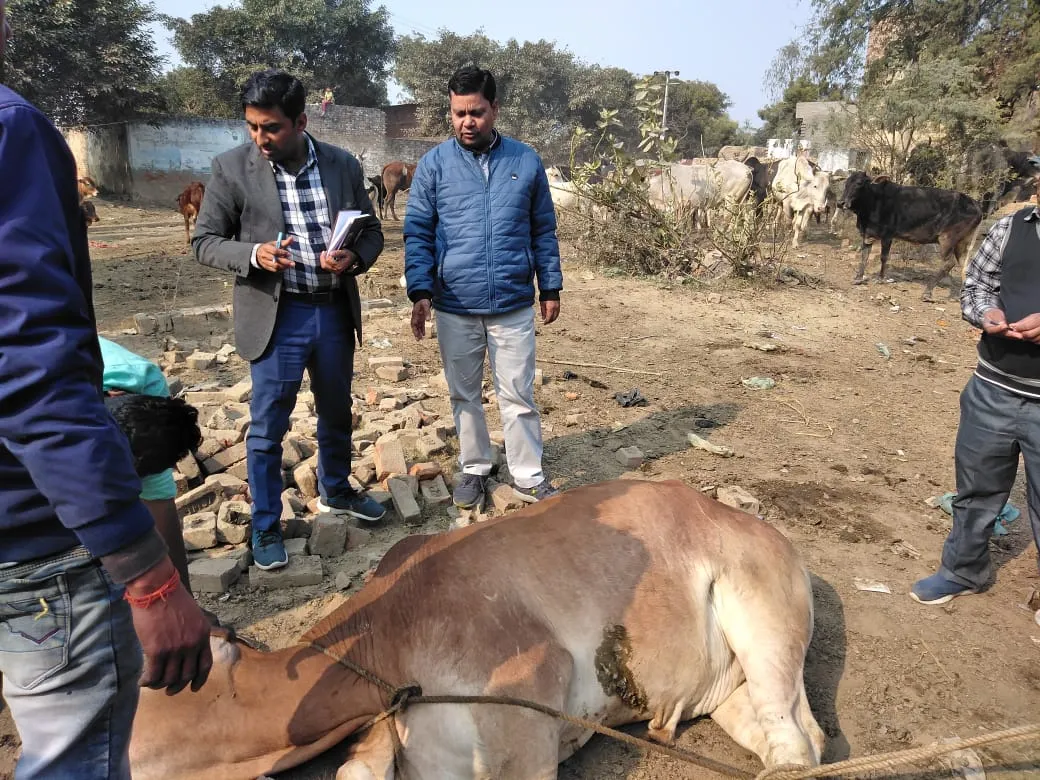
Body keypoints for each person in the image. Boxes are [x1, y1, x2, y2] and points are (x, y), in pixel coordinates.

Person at [0, 3, 213, 776]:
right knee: (75, 759)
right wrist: (153, 581)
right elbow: (30, 372)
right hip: (31, 541)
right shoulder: (11, 131)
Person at [193, 68, 385, 571]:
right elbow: (204, 241)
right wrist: (255, 253)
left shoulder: (342, 166)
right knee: (267, 426)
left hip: (331, 312)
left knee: (337, 411)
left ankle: (337, 489)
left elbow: (371, 233)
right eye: (252, 127)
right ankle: (263, 524)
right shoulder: (232, 169)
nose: (260, 138)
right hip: (277, 317)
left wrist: (354, 259)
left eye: (271, 128)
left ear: (301, 121)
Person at [404, 65, 564, 510]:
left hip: (512, 302)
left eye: (475, 112)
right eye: (457, 113)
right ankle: (474, 465)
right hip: (454, 303)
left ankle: (528, 474)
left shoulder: (525, 160)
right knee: (464, 393)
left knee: (517, 393)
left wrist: (549, 286)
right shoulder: (435, 165)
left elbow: (542, 229)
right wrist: (420, 290)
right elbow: (417, 231)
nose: (466, 123)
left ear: (494, 108)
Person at [911, 179, 1040, 631]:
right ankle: (964, 570)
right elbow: (978, 287)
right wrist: (985, 314)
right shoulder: (1011, 229)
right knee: (976, 490)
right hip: (993, 389)